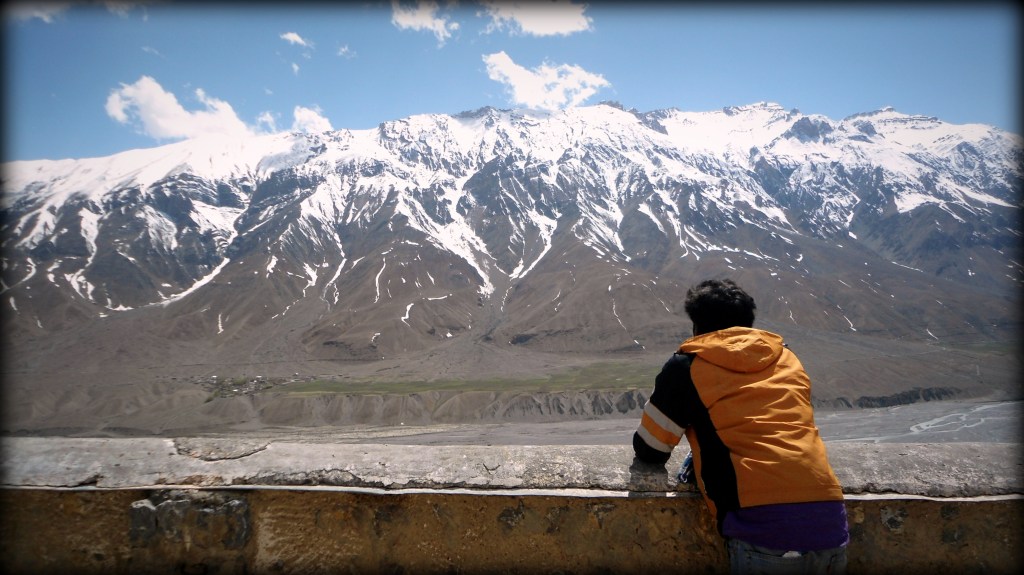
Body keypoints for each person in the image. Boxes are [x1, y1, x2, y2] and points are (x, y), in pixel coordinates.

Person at [633, 278, 849, 574]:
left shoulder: (688, 365)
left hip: (763, 528)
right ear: (750, 323)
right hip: (831, 522)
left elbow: (651, 448)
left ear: (697, 327)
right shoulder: (787, 358)